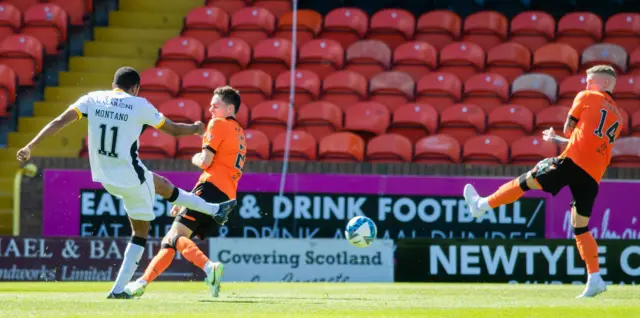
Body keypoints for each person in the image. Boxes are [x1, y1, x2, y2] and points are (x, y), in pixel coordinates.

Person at [16, 67, 237, 299]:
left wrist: (31, 146)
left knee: (160, 184)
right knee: (141, 231)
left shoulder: (92, 98)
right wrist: (195, 129)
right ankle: (119, 289)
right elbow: (172, 130)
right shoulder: (139, 104)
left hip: (104, 176)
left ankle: (214, 209)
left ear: (114, 84)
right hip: (131, 176)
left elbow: (60, 121)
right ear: (135, 88)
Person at [463, 65, 621, 298]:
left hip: (571, 163)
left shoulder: (586, 96)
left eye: (590, 80)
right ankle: (594, 277)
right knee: (581, 227)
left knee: (526, 181)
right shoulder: (619, 116)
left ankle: (481, 205)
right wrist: (559, 139)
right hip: (592, 175)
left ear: (605, 83)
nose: (586, 84)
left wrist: (560, 136)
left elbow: (570, 131)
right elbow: (591, 142)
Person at [125, 86, 246, 299]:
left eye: (215, 105)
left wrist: (195, 158)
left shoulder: (218, 123)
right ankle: (141, 283)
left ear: (229, 107)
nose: (210, 109)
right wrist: (188, 199)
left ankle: (210, 268)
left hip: (210, 189)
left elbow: (206, 162)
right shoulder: (241, 133)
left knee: (175, 236)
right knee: (171, 239)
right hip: (227, 196)